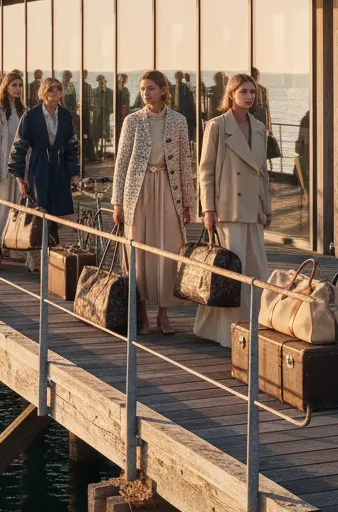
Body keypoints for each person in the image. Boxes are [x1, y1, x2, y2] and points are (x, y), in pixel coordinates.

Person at [112, 72, 195, 336]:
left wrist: (189, 204)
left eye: (151, 88)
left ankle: (163, 313)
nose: (146, 93)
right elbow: (122, 162)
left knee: (168, 250)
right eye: (143, 89)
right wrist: (117, 203)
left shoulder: (178, 121)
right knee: (140, 250)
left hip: (170, 191)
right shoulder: (132, 121)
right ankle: (143, 315)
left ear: (162, 90)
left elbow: (184, 162)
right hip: (138, 191)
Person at [193, 73, 271, 348]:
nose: (249, 96)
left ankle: (254, 327)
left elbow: (262, 173)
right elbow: (205, 171)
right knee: (230, 273)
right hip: (228, 210)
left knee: (256, 270)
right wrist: (208, 209)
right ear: (231, 94)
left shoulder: (259, 127)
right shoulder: (216, 126)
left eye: (252, 92)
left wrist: (267, 206)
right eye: (243, 92)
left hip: (252, 210)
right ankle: (225, 332)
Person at [8, 76, 80, 261]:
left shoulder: (65, 115)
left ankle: (53, 257)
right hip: (38, 165)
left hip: (59, 166)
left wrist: (73, 171)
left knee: (58, 212)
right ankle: (35, 259)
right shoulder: (31, 115)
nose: (54, 93)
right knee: (40, 211)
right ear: (43, 92)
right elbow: (19, 146)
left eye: (57, 89)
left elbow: (71, 144)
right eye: (50, 90)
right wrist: (19, 177)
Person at [0, 70, 25, 246]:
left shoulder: (23, 110)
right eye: (14, 85)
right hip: (0, 167)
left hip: (16, 168)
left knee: (14, 205)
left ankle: (9, 242)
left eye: (20, 85)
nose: (18, 89)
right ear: (6, 86)